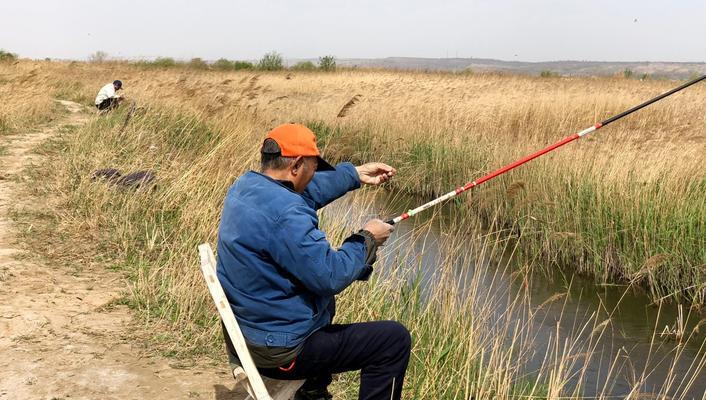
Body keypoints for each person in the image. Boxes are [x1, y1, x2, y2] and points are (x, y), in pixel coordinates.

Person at [217, 123, 411, 400]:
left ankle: (312, 392)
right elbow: (331, 276)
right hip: (280, 351)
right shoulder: (287, 213)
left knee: (319, 310)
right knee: (392, 340)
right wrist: (367, 238)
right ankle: (311, 390)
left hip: (250, 335)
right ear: (296, 165)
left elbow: (305, 193)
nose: (315, 174)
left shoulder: (246, 187)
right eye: (313, 167)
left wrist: (354, 174)